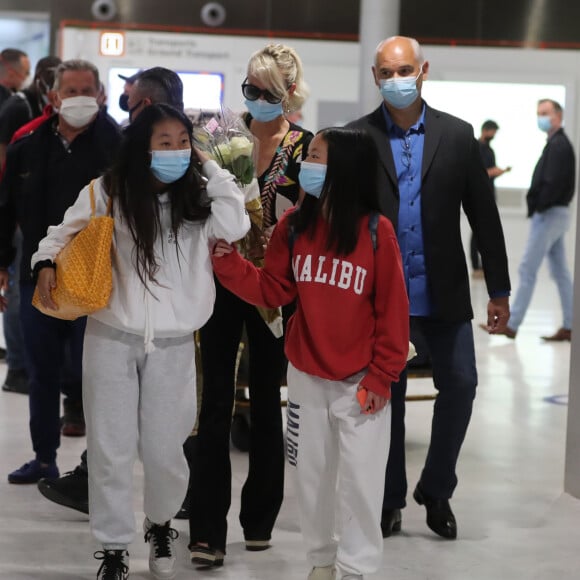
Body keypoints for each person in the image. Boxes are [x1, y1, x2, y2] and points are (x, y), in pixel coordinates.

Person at [31, 103, 250, 580]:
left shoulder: (201, 201)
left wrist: (209, 164)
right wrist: (45, 263)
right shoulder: (109, 191)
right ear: (142, 147)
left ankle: (160, 523)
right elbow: (58, 235)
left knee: (166, 450)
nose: (174, 150)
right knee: (110, 448)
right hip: (110, 336)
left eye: (182, 141)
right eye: (164, 142)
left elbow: (237, 226)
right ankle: (112, 546)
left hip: (173, 345)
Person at [211, 126, 409, 580]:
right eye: (309, 156)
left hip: (363, 381)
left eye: (318, 157)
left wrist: (382, 376)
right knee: (311, 478)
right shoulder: (293, 226)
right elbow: (273, 289)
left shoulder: (376, 232)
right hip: (305, 375)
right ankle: (321, 560)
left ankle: (356, 567)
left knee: (361, 481)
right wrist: (229, 263)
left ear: (346, 169)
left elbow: (393, 310)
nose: (306, 166)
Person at [348, 36, 511, 540]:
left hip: (444, 295)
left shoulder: (459, 137)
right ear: (376, 78)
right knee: (386, 399)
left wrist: (499, 291)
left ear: (422, 70)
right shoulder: (356, 139)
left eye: (404, 70)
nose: (396, 80)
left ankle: (436, 489)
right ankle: (390, 498)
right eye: (386, 72)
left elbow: (484, 217)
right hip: (382, 299)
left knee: (461, 383)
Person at [35, 66, 188, 513]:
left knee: (169, 436)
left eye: (130, 102)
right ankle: (111, 527)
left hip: (176, 328)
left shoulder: (198, 179)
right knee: (111, 432)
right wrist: (44, 259)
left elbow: (233, 225)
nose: (123, 112)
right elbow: (69, 221)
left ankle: (171, 509)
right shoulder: (117, 175)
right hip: (114, 316)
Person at [188, 42, 312, 567]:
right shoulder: (219, 134)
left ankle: (259, 518)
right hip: (219, 285)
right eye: (248, 87)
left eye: (265, 91)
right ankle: (206, 528)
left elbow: (314, 217)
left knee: (266, 403)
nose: (254, 98)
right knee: (213, 402)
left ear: (288, 94)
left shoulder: (307, 147)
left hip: (275, 293)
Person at [0, 59, 122, 483]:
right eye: (70, 91)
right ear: (53, 98)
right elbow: (7, 211)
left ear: (102, 95)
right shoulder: (26, 146)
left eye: (87, 90)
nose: (80, 98)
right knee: (42, 372)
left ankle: (96, 466)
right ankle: (44, 458)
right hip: (39, 277)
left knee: (91, 375)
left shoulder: (119, 147)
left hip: (100, 280)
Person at [483, 99, 575, 341]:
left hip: (550, 214)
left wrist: (538, 205)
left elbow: (552, 183)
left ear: (558, 115)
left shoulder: (558, 146)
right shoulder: (556, 144)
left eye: (545, 113)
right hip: (555, 214)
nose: (541, 118)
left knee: (527, 268)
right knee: (560, 272)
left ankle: (511, 324)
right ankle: (570, 324)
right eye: (538, 113)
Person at [0, 55, 61, 395]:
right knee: (19, 286)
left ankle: (28, 363)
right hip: (21, 215)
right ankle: (18, 367)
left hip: (39, 217)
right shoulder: (19, 112)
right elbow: (5, 166)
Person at [471, 120, 511, 278]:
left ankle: (484, 266)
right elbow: (477, 173)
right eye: (493, 131)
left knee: (486, 232)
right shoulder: (476, 148)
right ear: (486, 130)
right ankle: (476, 266)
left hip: (489, 195)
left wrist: (499, 172)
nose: (494, 135)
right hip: (477, 195)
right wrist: (493, 172)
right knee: (477, 232)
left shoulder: (490, 150)